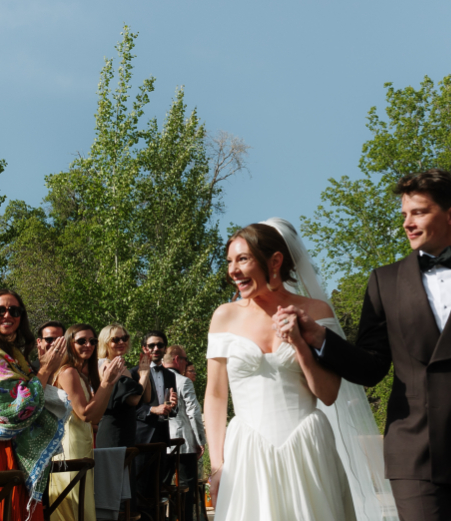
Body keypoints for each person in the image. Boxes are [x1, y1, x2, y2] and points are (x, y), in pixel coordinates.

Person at [279, 170, 451, 521]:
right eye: (405, 214)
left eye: (419, 212)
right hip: (414, 446)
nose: (408, 223)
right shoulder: (384, 281)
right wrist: (320, 339)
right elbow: (371, 366)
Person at [205, 221, 358, 520]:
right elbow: (215, 396)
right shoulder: (224, 317)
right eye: (229, 261)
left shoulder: (316, 312)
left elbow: (328, 394)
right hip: (248, 452)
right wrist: (217, 465)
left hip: (307, 448)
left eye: (243, 259)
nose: (232, 271)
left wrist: (300, 344)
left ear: (274, 261)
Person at [0, 289, 69, 521]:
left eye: (14, 311)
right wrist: (45, 370)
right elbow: (14, 411)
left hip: (8, 447)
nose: (7, 315)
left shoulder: (9, 351)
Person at [49, 324, 124, 521]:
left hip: (83, 444)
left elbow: (96, 417)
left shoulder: (81, 374)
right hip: (69, 447)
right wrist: (106, 383)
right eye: (81, 341)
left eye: (92, 341)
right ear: (69, 343)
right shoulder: (67, 372)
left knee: (82, 505)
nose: (88, 345)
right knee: (73, 507)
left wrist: (107, 385)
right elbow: (83, 413)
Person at [132, 331, 177, 516]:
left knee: (157, 492)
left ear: (165, 348)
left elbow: (174, 410)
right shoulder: (134, 373)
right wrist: (152, 409)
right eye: (151, 346)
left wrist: (172, 406)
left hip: (162, 438)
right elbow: (131, 407)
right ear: (144, 349)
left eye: (159, 345)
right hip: (141, 438)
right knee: (139, 491)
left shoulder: (170, 375)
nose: (155, 349)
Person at [163, 345, 206, 521]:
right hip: (183, 443)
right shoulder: (183, 381)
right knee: (186, 488)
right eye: (186, 360)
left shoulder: (153, 379)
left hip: (160, 442)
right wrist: (200, 440)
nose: (186, 363)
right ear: (177, 360)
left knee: (161, 488)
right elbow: (193, 412)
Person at [95, 324, 151, 449]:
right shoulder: (106, 366)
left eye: (125, 338)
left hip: (127, 431)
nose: (122, 342)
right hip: (113, 431)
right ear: (105, 342)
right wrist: (144, 374)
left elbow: (146, 398)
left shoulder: (123, 368)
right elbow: (134, 400)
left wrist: (146, 370)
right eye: (115, 339)